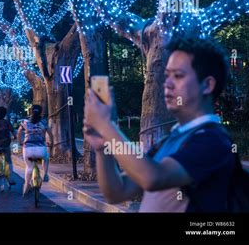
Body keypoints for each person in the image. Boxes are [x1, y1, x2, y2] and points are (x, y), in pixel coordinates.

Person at [83, 37, 235, 212]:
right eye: (167, 75)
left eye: (178, 76)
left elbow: (153, 178)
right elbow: (117, 192)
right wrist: (102, 148)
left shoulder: (213, 140)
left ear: (207, 85)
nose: (167, 84)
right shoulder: (167, 141)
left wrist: (106, 126)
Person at [18, 104, 53, 196]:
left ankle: (26, 185)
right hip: (41, 148)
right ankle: (45, 174)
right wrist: (51, 143)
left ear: (30, 111)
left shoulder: (25, 121)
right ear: (41, 112)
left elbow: (18, 132)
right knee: (45, 158)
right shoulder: (44, 122)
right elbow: (50, 134)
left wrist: (21, 142)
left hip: (28, 149)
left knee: (29, 167)